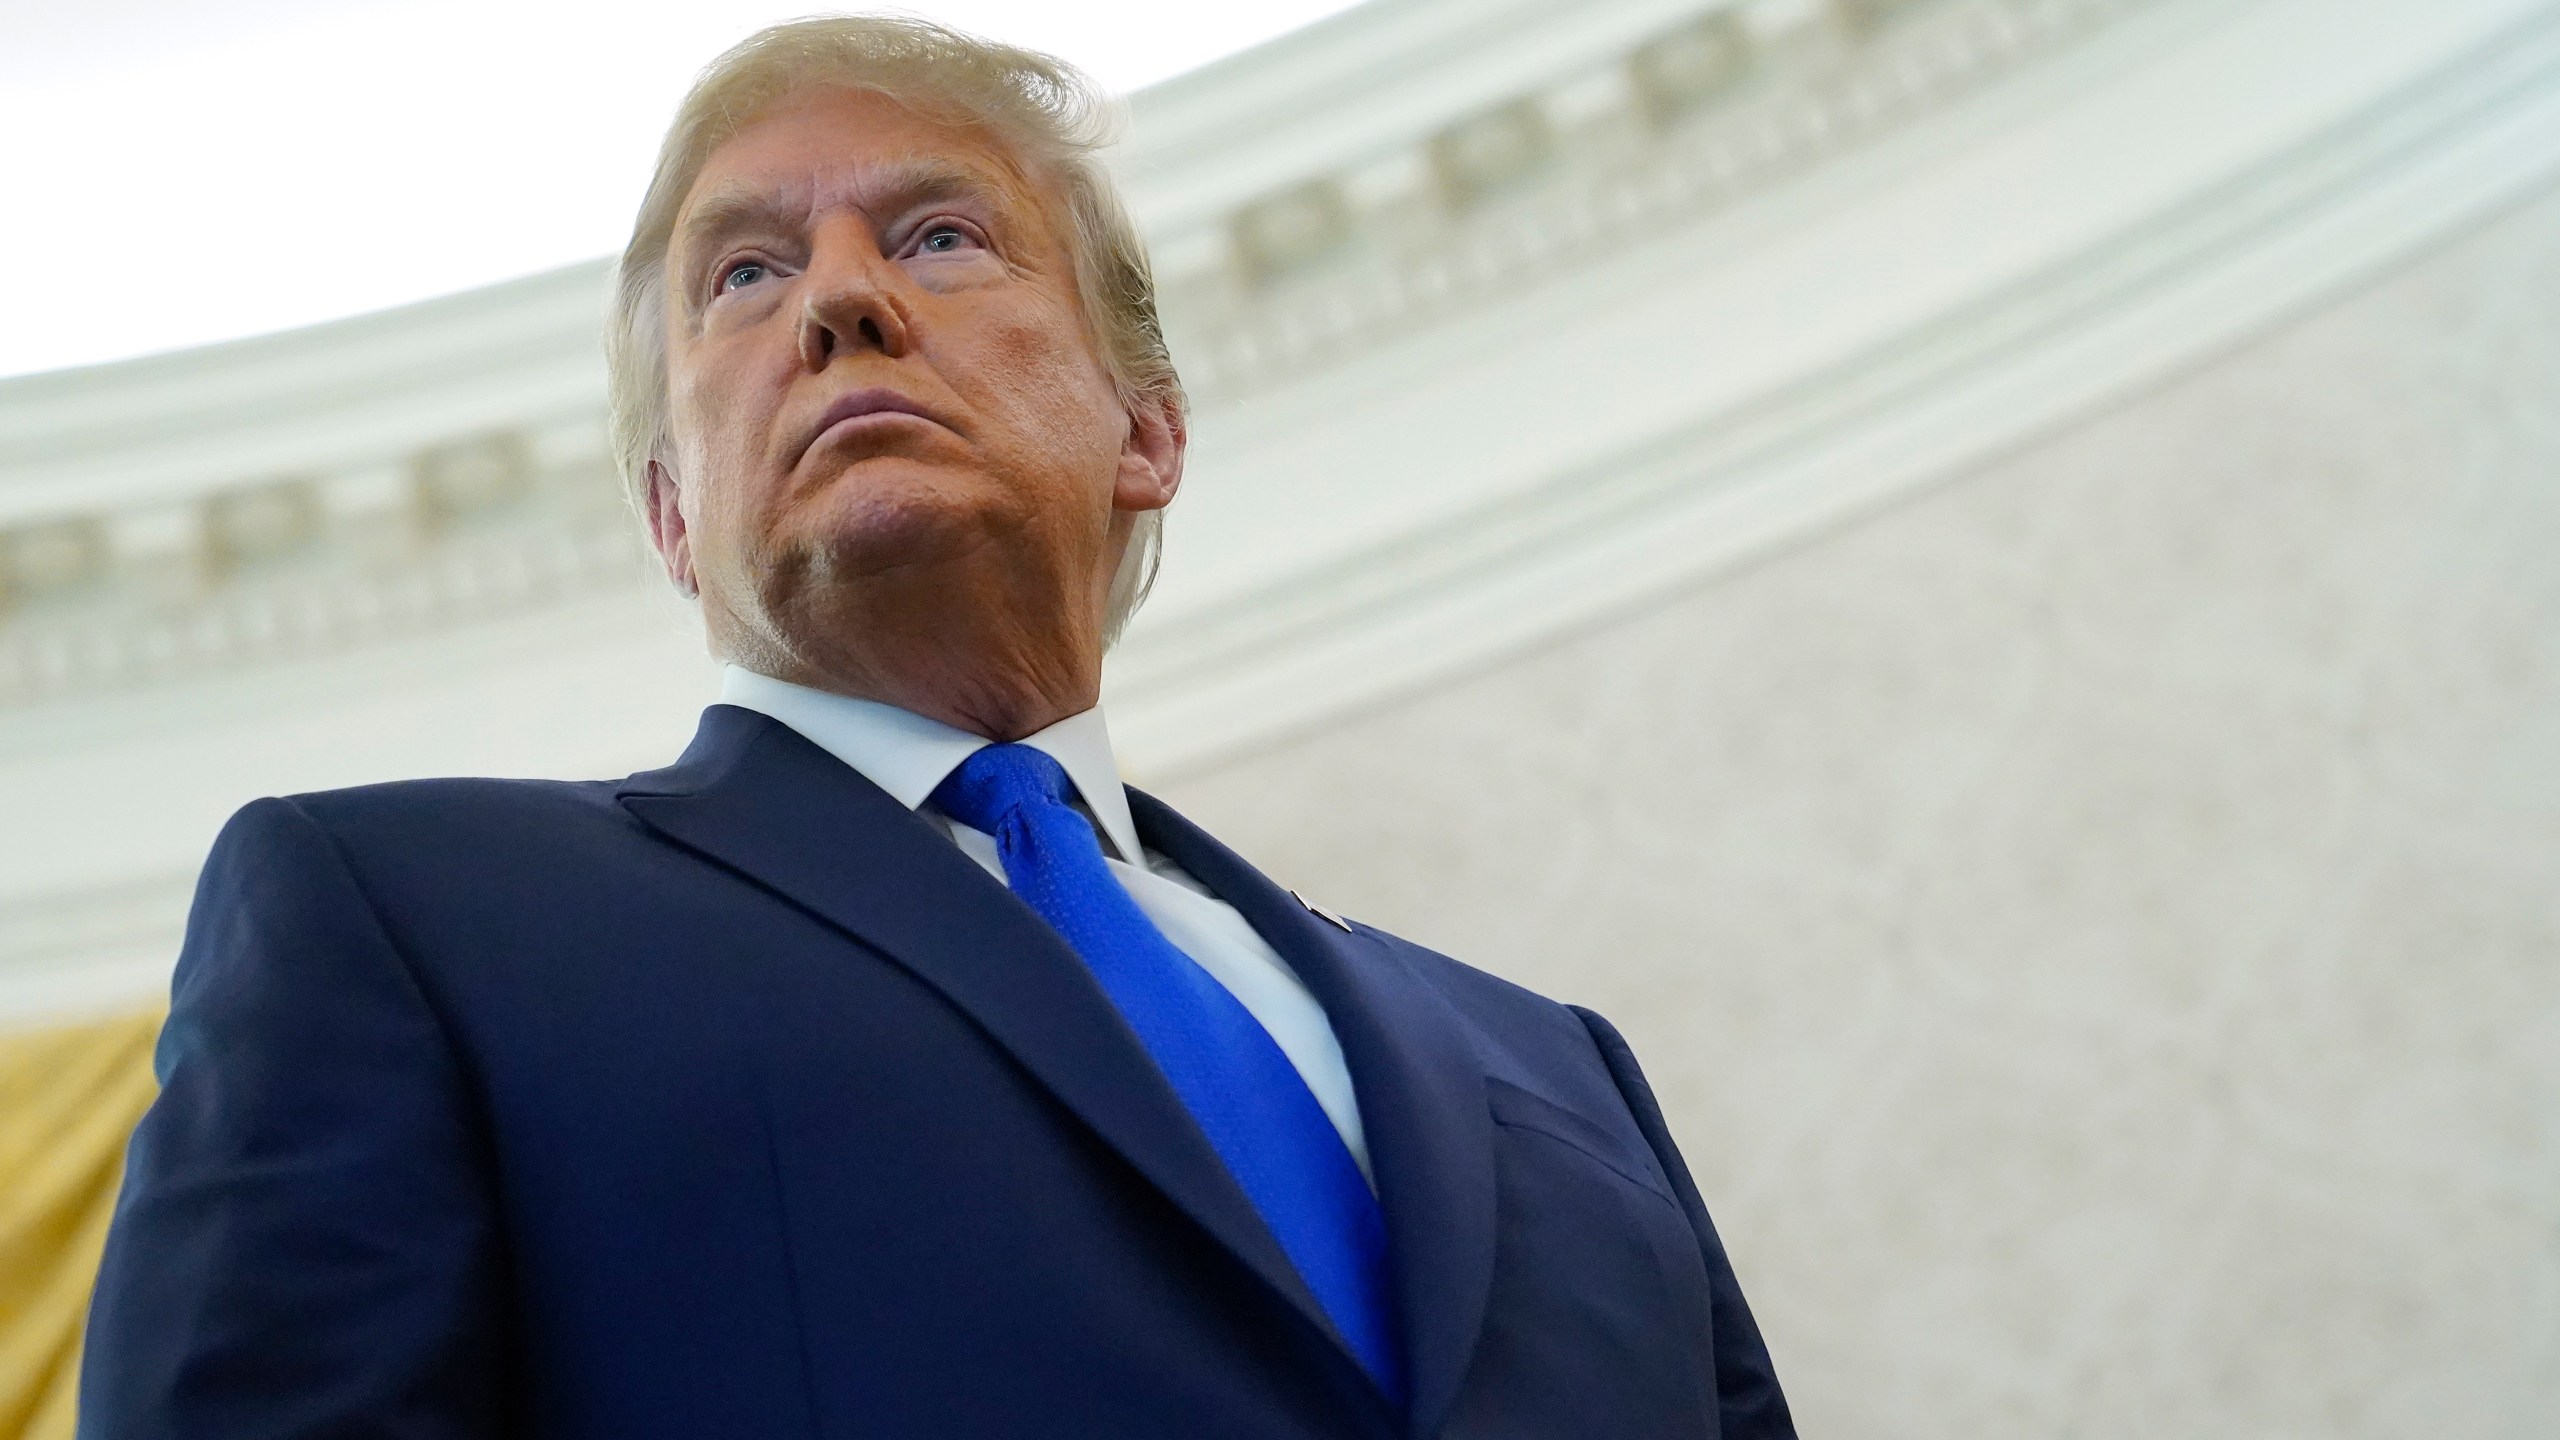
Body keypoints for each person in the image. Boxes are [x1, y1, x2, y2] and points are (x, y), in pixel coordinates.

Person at [80, 16, 1793, 1438]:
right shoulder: (410, 920)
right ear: (675, 517)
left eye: (937, 237)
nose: (840, 303)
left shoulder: (1558, 1076)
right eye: (743, 274)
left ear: (1147, 427)